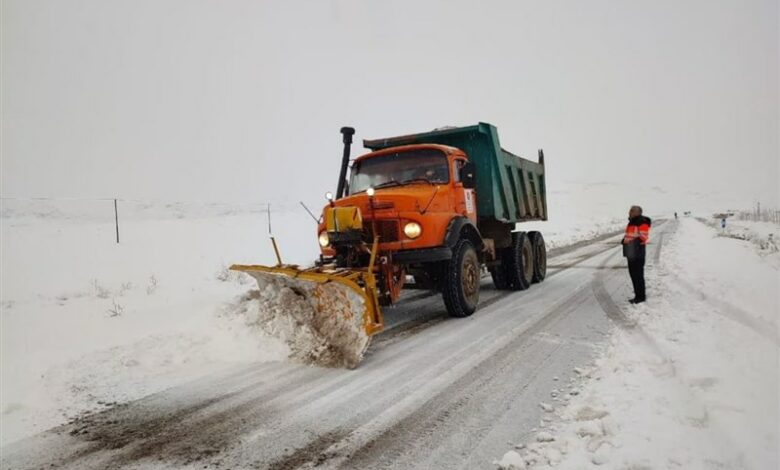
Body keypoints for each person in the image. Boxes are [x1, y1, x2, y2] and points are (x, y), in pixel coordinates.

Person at [622, 205, 651, 303]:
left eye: (631, 211)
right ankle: (637, 295)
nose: (629, 212)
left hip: (637, 253)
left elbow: (643, 237)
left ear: (638, 212)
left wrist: (629, 242)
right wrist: (625, 240)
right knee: (633, 275)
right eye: (630, 210)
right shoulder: (632, 222)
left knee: (638, 275)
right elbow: (631, 235)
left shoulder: (642, 222)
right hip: (631, 253)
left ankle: (641, 297)